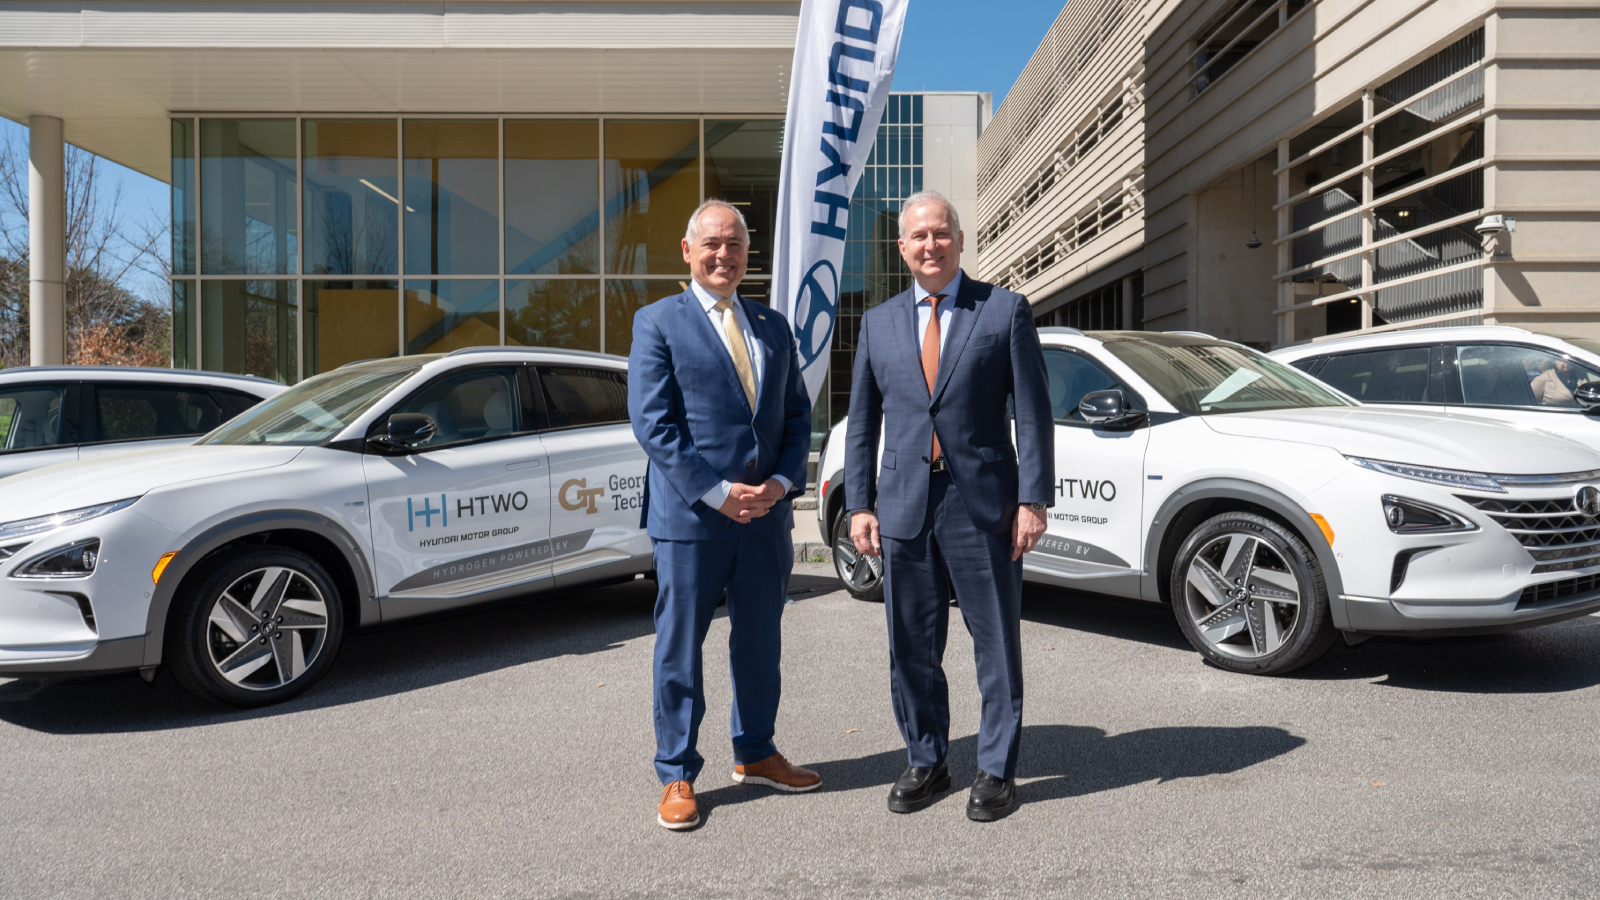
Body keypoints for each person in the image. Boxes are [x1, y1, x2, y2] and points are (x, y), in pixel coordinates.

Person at [843, 190, 1054, 822]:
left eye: (941, 233)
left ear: (959, 241)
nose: (930, 245)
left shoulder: (1004, 310)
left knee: (993, 641)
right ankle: (927, 759)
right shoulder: (877, 323)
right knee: (910, 644)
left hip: (980, 505)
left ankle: (995, 770)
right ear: (902, 248)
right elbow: (861, 423)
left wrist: (1032, 499)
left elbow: (1034, 416)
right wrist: (859, 504)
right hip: (904, 503)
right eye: (918, 236)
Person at [628, 199, 820, 832]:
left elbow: (797, 417)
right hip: (692, 520)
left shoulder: (772, 326)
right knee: (681, 647)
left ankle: (757, 750)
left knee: (760, 642)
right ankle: (677, 773)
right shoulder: (657, 322)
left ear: (746, 254)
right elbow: (654, 425)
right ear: (688, 251)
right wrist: (718, 492)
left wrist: (783, 483)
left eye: (735, 245)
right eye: (712, 244)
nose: (724, 255)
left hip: (765, 517)